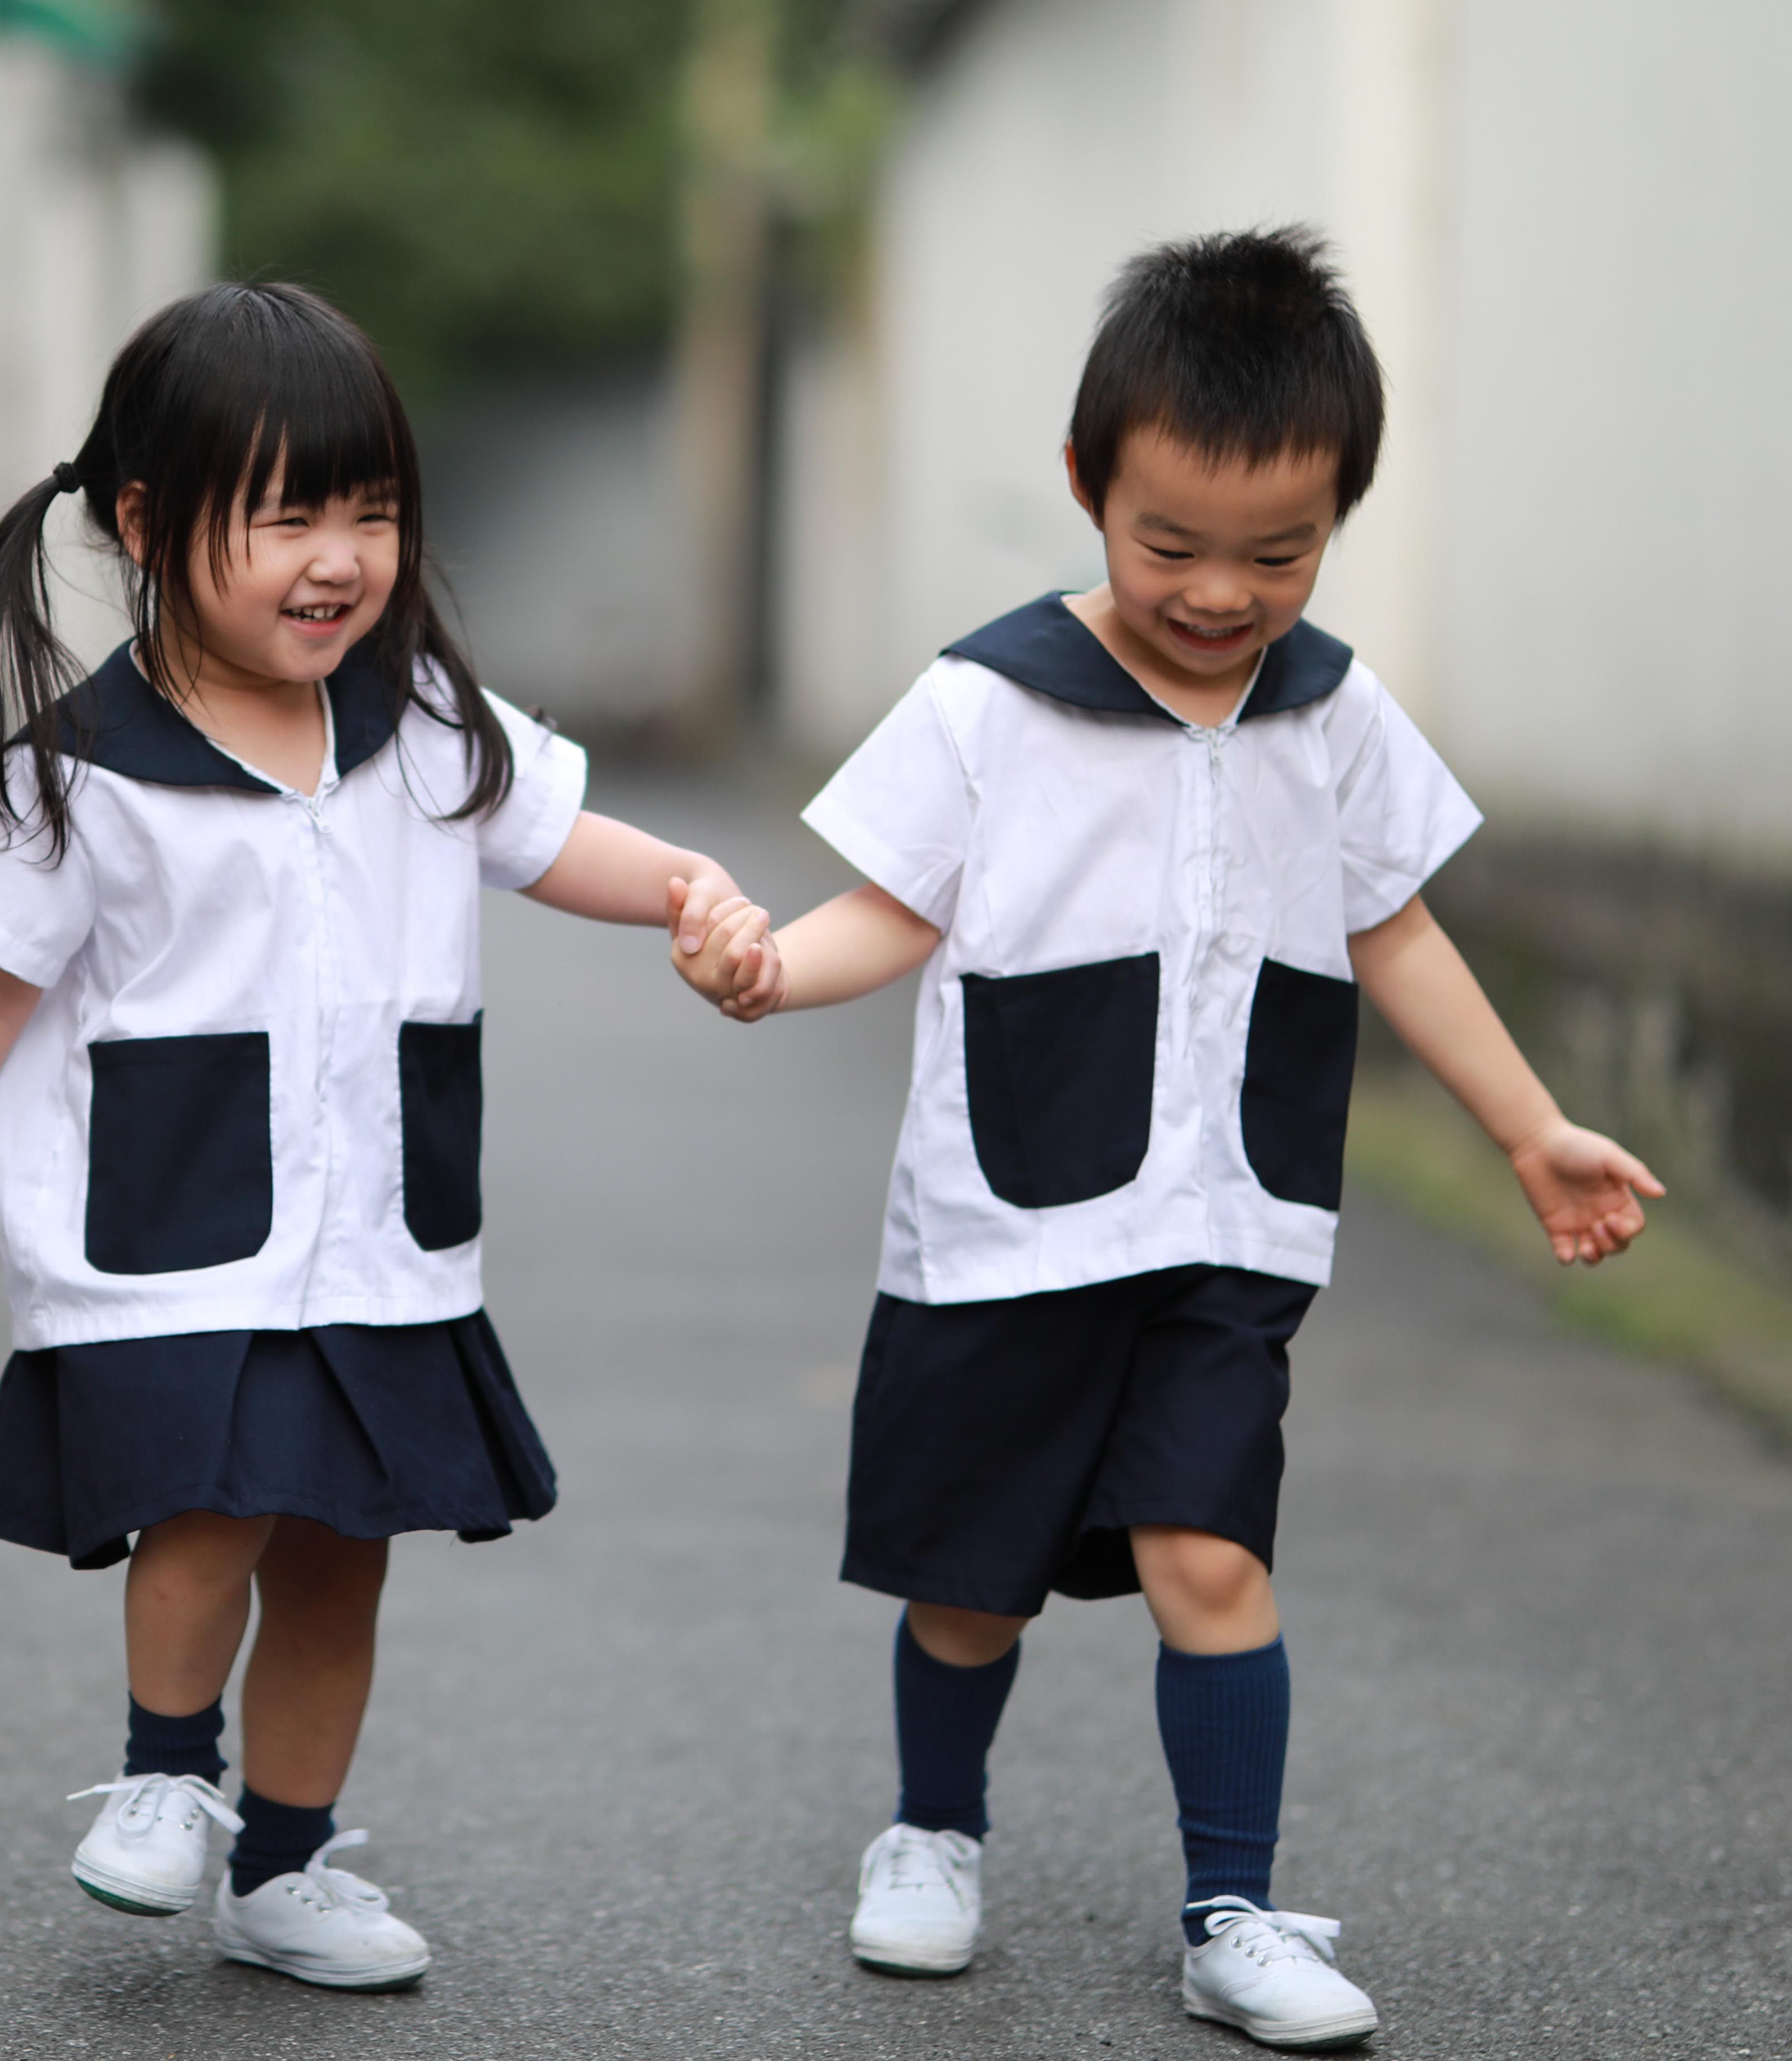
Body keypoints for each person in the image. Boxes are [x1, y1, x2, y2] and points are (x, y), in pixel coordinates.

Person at [671, 228, 1661, 2049]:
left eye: (1279, 555)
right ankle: (933, 1830)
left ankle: (1234, 1908)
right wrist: (767, 972)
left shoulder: (1334, 714)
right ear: (1086, 491)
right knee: (972, 1583)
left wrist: (1532, 1131)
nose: (1222, 594)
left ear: (1338, 516)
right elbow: (887, 908)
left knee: (1212, 1557)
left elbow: (1401, 929)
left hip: (1228, 1228)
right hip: (1006, 1226)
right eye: (1172, 547)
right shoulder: (988, 700)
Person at [0, 281, 748, 1993]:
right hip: (167, 1235)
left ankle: (290, 1866)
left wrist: (691, 892)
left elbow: (563, 839)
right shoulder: (79, 773)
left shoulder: (428, 724)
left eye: (370, 511)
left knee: (339, 1556)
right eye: (289, 513)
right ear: (153, 526)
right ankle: (169, 1776)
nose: (341, 558)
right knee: (210, 1508)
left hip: (381, 1241)